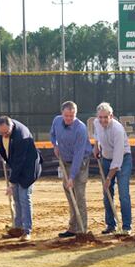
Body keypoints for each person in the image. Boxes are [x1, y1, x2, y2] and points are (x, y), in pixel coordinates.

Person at [0, 116, 42, 241]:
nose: (4, 134)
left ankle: (27, 231)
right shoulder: (3, 131)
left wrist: (11, 183)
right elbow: (4, 148)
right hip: (16, 167)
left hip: (28, 169)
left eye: (6, 132)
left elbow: (19, 162)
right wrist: (4, 156)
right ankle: (17, 228)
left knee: (24, 198)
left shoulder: (21, 136)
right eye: (1, 132)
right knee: (16, 198)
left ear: (11, 125)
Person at [50, 101, 92, 237]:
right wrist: (55, 145)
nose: (69, 119)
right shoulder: (57, 121)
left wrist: (72, 177)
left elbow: (78, 155)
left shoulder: (80, 129)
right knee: (70, 196)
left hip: (80, 164)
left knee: (79, 196)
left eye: (72, 116)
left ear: (75, 114)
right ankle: (72, 228)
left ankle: (82, 230)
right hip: (65, 162)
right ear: (62, 113)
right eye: (66, 115)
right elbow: (52, 135)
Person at [92, 102, 133, 234]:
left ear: (111, 116)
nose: (103, 120)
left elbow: (117, 159)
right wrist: (96, 146)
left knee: (123, 193)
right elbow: (97, 135)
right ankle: (111, 225)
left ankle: (126, 226)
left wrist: (109, 177)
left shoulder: (118, 130)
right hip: (105, 158)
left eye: (106, 117)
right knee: (107, 193)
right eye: (100, 117)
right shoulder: (96, 123)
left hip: (123, 159)